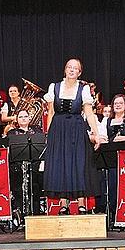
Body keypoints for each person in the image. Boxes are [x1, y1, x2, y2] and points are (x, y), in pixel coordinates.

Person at [44, 58, 101, 215]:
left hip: (76, 128)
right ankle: (64, 204)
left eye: (75, 68)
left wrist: (96, 133)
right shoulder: (54, 87)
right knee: (61, 163)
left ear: (79, 72)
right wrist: (49, 135)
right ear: (65, 70)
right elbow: (51, 112)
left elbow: (88, 112)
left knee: (78, 162)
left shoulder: (84, 89)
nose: (71, 70)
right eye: (69, 67)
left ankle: (81, 202)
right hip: (58, 129)